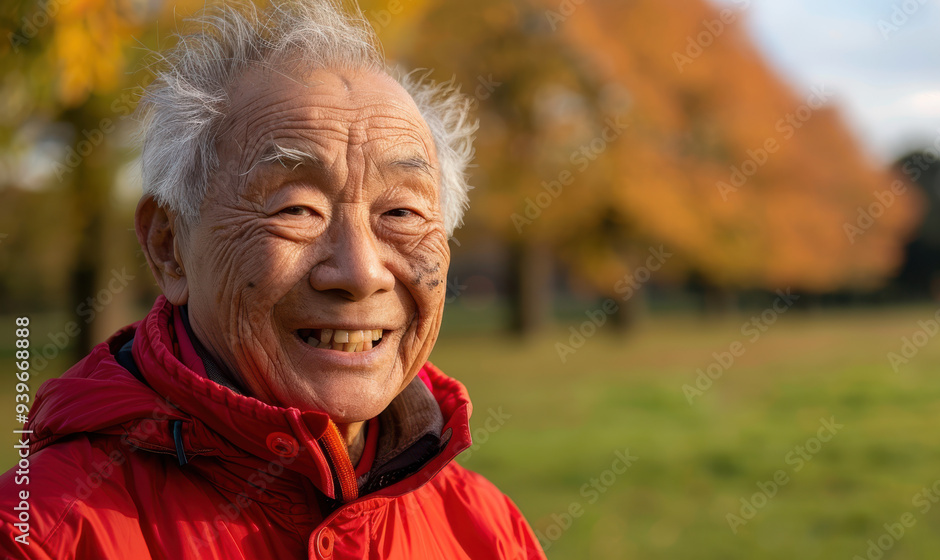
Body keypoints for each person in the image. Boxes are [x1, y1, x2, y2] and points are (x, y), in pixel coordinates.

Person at [0, 1, 545, 558]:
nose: (359, 273)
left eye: (401, 213)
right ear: (169, 247)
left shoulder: (485, 530)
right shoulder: (44, 534)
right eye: (295, 209)